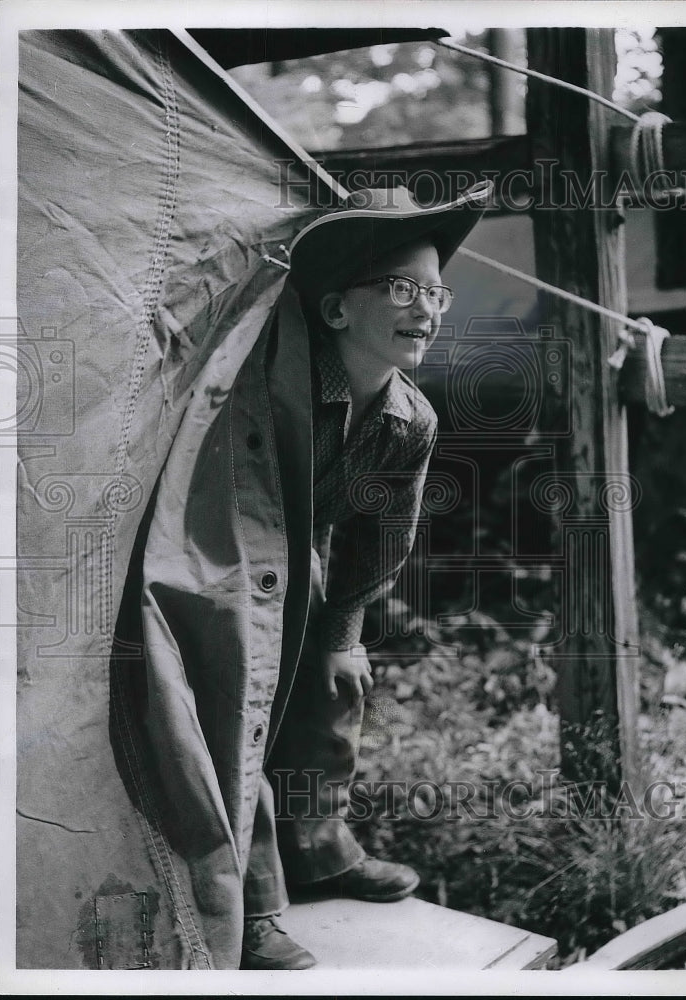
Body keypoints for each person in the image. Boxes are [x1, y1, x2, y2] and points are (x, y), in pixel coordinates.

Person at [238, 181, 492, 969]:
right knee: (234, 702)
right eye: (403, 289)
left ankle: (317, 849)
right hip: (220, 553)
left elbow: (383, 534)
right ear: (338, 310)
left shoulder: (408, 420)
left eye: (437, 292)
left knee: (336, 679)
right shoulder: (264, 384)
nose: (429, 309)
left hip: (299, 558)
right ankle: (245, 903)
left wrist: (340, 633)